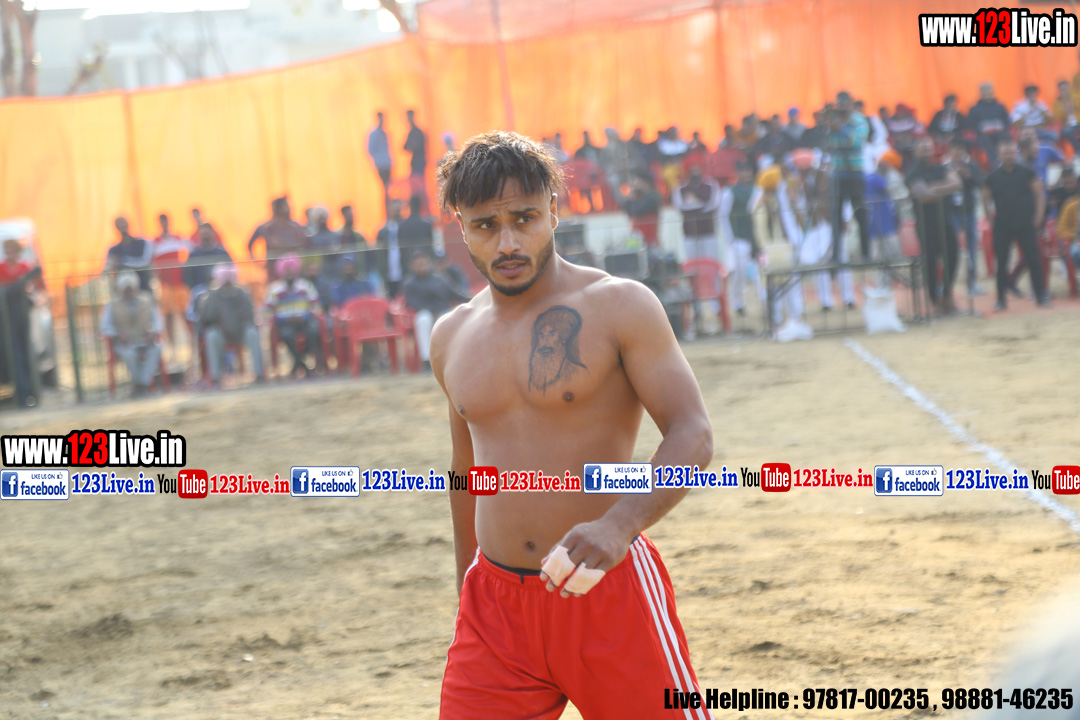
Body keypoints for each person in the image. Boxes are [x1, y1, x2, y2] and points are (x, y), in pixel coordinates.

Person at [432, 130, 714, 720]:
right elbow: (466, 474)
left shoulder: (619, 305)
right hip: (495, 612)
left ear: (554, 210)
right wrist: (467, 593)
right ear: (462, 228)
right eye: (486, 225)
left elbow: (691, 432)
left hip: (606, 588)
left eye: (524, 218)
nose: (508, 242)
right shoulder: (451, 336)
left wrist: (619, 525)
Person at [982, 138, 1049, 310]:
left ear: (1016, 153)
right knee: (1001, 263)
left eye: (1012, 152)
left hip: (1026, 223)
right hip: (1002, 225)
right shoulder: (992, 177)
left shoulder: (1027, 172)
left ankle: (1040, 296)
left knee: (1034, 260)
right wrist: (990, 219)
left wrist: (1038, 216)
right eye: (1005, 153)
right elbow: (985, 199)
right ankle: (1000, 300)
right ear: (999, 155)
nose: (1009, 156)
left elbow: (1039, 195)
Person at [906, 137, 962, 314]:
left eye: (928, 149)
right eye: (923, 149)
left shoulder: (941, 168)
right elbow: (924, 196)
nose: (927, 153)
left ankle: (947, 295)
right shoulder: (912, 173)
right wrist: (944, 188)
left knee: (953, 257)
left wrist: (935, 188)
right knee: (930, 263)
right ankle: (935, 300)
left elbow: (957, 184)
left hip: (946, 222)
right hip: (926, 225)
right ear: (916, 152)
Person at [198, 263, 264, 387]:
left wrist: (240, 325)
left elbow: (249, 316)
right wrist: (220, 324)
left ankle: (259, 373)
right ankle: (216, 378)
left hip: (241, 332)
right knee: (212, 335)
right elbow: (206, 318)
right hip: (222, 335)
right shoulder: (212, 296)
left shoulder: (242, 293)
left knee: (252, 333)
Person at [402, 251, 469, 371]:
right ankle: (427, 361)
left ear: (429, 263)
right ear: (412, 266)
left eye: (423, 263)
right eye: (418, 264)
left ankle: (456, 358)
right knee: (423, 319)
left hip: (443, 311)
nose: (421, 267)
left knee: (455, 317)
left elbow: (456, 293)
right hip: (425, 313)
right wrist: (433, 312)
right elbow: (411, 303)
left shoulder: (440, 279)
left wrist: (473, 299)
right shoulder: (409, 283)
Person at [101, 270, 163, 398]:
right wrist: (117, 334)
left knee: (157, 349)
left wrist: (153, 332)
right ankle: (140, 385)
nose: (129, 292)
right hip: (125, 344)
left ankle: (142, 384)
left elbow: (158, 321)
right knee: (130, 354)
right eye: (126, 290)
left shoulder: (147, 300)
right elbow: (105, 327)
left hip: (145, 341)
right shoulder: (113, 304)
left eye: (131, 289)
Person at [827, 92, 872, 262]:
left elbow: (857, 142)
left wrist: (841, 129)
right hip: (837, 174)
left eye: (844, 104)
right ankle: (836, 255)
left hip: (855, 173)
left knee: (860, 214)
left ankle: (866, 253)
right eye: (839, 104)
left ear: (851, 105)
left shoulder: (859, 120)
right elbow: (829, 143)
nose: (841, 107)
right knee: (836, 216)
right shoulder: (832, 121)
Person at [265, 253, 324, 377]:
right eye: (287, 270)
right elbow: (266, 311)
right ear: (281, 271)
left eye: (292, 270)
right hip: (285, 323)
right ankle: (303, 365)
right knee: (287, 335)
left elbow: (317, 306)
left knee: (313, 332)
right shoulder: (274, 289)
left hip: (304, 321)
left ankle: (297, 365)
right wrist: (281, 319)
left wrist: (306, 316)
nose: (289, 273)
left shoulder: (305, 286)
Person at [0, 238, 41, 407]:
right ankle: (22, 394)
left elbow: (33, 289)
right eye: (6, 250)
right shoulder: (2, 268)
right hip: (6, 318)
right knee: (14, 355)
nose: (8, 253)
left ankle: (30, 393)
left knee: (25, 354)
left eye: (11, 250)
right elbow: (5, 291)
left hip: (22, 317)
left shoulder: (24, 267)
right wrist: (24, 279)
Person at [720, 162, 764, 318]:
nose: (746, 174)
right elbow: (723, 216)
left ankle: (765, 303)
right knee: (739, 272)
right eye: (743, 171)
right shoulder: (729, 192)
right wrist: (731, 238)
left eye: (748, 171)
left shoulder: (757, 191)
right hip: (739, 239)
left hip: (756, 239)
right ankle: (737, 303)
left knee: (760, 272)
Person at [945, 139, 985, 296]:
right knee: (950, 247)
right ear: (950, 151)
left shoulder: (971, 166)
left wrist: (968, 176)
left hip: (968, 211)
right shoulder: (944, 168)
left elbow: (980, 183)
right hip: (951, 212)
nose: (957, 153)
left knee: (972, 248)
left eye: (960, 150)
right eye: (955, 149)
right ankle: (948, 284)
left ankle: (971, 283)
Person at [151, 213, 191, 351]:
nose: (164, 224)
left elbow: (190, 251)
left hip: (180, 284)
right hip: (165, 285)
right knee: (168, 317)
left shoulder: (179, 238)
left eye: (166, 221)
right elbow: (152, 262)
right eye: (161, 222)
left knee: (185, 315)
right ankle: (172, 348)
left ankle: (191, 345)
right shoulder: (155, 242)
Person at [248, 197, 308, 282]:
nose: (290, 207)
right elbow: (250, 245)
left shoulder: (295, 227)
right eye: (286, 205)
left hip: (295, 273)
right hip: (274, 273)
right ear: (279, 208)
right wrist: (259, 264)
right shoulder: (267, 228)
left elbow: (304, 243)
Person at [673, 164, 722, 264]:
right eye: (692, 171)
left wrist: (698, 206)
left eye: (697, 170)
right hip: (689, 231)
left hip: (707, 229)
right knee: (692, 262)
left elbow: (714, 205)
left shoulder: (710, 185)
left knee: (710, 261)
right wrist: (698, 206)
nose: (695, 173)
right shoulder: (681, 188)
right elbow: (680, 206)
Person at [105, 217, 153, 291]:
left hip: (143, 286)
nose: (122, 225)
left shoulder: (142, 243)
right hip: (124, 291)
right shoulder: (113, 250)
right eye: (119, 224)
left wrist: (122, 261)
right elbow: (108, 267)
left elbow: (145, 262)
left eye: (123, 223)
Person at [969, 82, 1011, 168]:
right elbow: (971, 124)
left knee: (1006, 137)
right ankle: (996, 162)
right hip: (984, 134)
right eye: (985, 91)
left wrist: (1002, 127)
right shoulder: (974, 109)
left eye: (989, 91)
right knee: (984, 140)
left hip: (1000, 132)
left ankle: (1008, 160)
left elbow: (1007, 121)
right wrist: (980, 129)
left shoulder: (1000, 107)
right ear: (981, 93)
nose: (987, 93)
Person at [183, 223, 233, 291]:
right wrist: (195, 288)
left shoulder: (222, 254)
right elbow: (187, 276)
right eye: (203, 234)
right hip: (200, 290)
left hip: (221, 291)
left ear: (213, 234)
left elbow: (231, 272)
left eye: (207, 233)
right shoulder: (193, 256)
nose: (205, 236)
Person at [375, 198, 407, 298]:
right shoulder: (383, 231)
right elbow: (379, 254)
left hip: (404, 271)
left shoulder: (406, 227)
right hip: (388, 273)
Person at [404, 109, 428, 212]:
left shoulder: (418, 132)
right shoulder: (412, 132)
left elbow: (418, 146)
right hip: (415, 163)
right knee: (415, 188)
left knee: (420, 188)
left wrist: (413, 145)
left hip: (419, 163)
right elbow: (405, 146)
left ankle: (424, 211)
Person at [368, 112, 393, 213]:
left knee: (388, 190)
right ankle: (387, 213)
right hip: (381, 165)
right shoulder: (374, 134)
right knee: (385, 189)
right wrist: (378, 161)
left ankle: (389, 212)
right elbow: (370, 149)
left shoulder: (385, 133)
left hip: (387, 165)